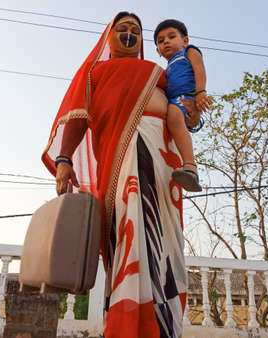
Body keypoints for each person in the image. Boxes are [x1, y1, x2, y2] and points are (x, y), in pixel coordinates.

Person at [42, 12, 199, 338]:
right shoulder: (94, 72)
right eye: (123, 30)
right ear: (109, 37)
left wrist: (194, 109)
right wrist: (63, 158)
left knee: (164, 243)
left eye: (136, 31)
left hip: (161, 165)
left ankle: (164, 326)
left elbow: (181, 111)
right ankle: (127, 325)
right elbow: (77, 116)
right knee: (129, 234)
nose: (130, 35)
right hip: (121, 162)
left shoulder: (157, 71)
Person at [154, 19, 210, 192]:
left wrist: (201, 92)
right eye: (161, 41)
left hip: (185, 97)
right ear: (158, 51)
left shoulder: (189, 52)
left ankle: (190, 167)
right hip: (171, 102)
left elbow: (199, 68)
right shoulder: (166, 69)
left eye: (171, 37)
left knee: (175, 115)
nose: (166, 42)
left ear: (185, 40)